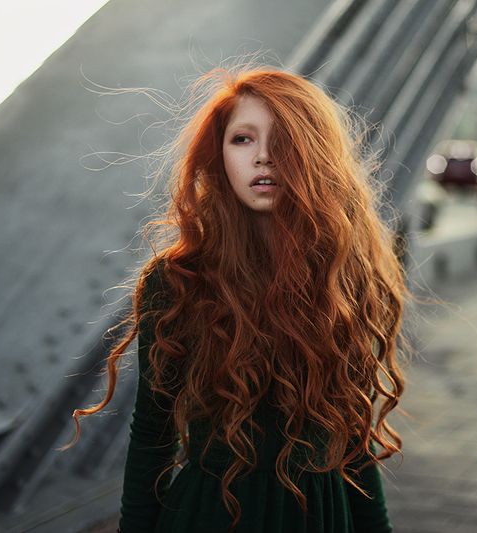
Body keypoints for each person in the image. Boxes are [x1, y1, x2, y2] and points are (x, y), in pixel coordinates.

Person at [60, 65, 411, 532]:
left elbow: (353, 438)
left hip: (322, 517)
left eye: (282, 139)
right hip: (208, 515)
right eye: (242, 139)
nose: (263, 157)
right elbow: (152, 435)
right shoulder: (178, 280)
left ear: (314, 152)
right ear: (218, 155)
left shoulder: (343, 276)